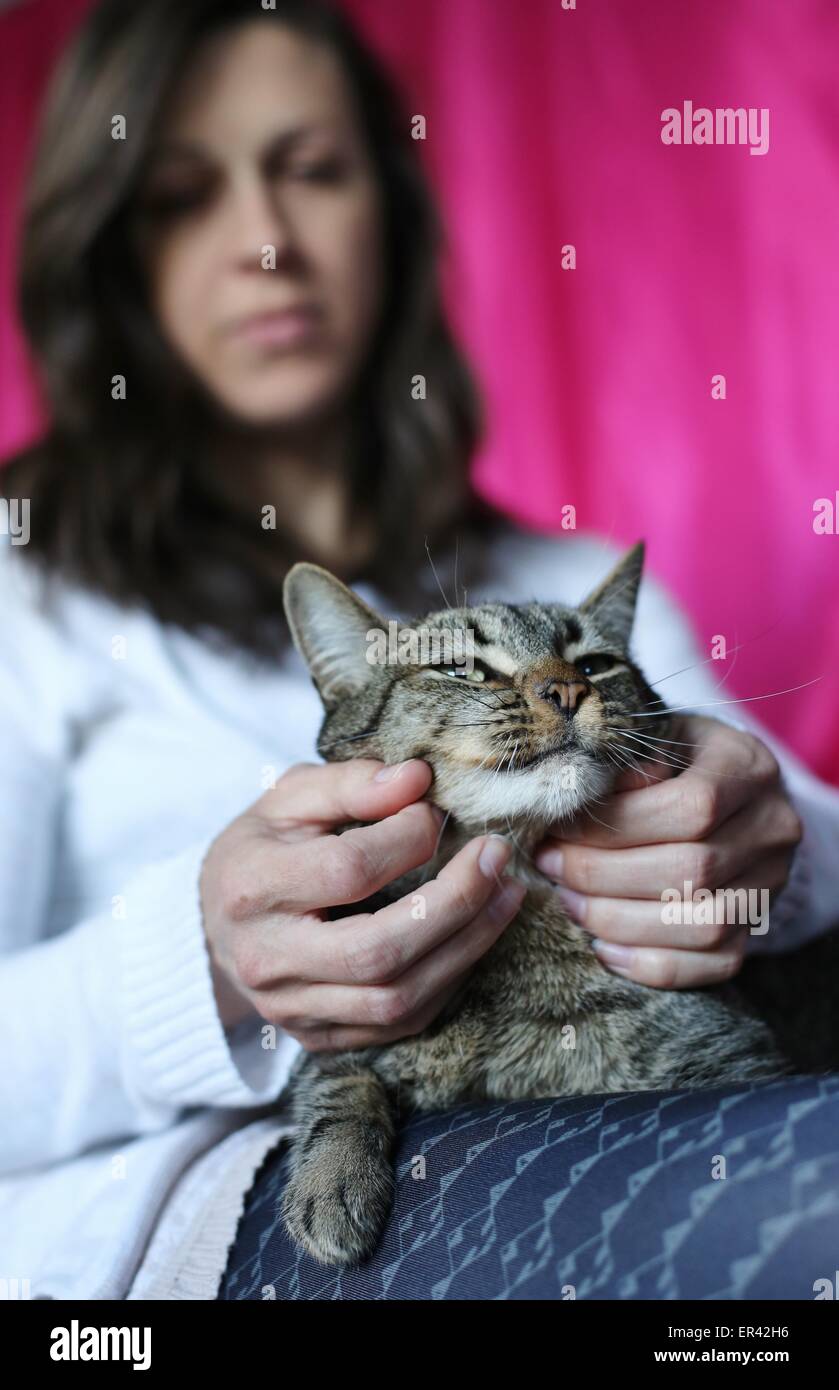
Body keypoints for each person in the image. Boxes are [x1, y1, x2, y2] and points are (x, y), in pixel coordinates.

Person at [1, 0, 837, 1301]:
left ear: (392, 211)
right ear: (111, 249)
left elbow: (796, 847)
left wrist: (769, 840)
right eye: (181, 194)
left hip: (652, 1121)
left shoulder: (573, 588)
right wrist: (205, 967)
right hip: (187, 1240)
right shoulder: (23, 593)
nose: (266, 242)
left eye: (315, 170)